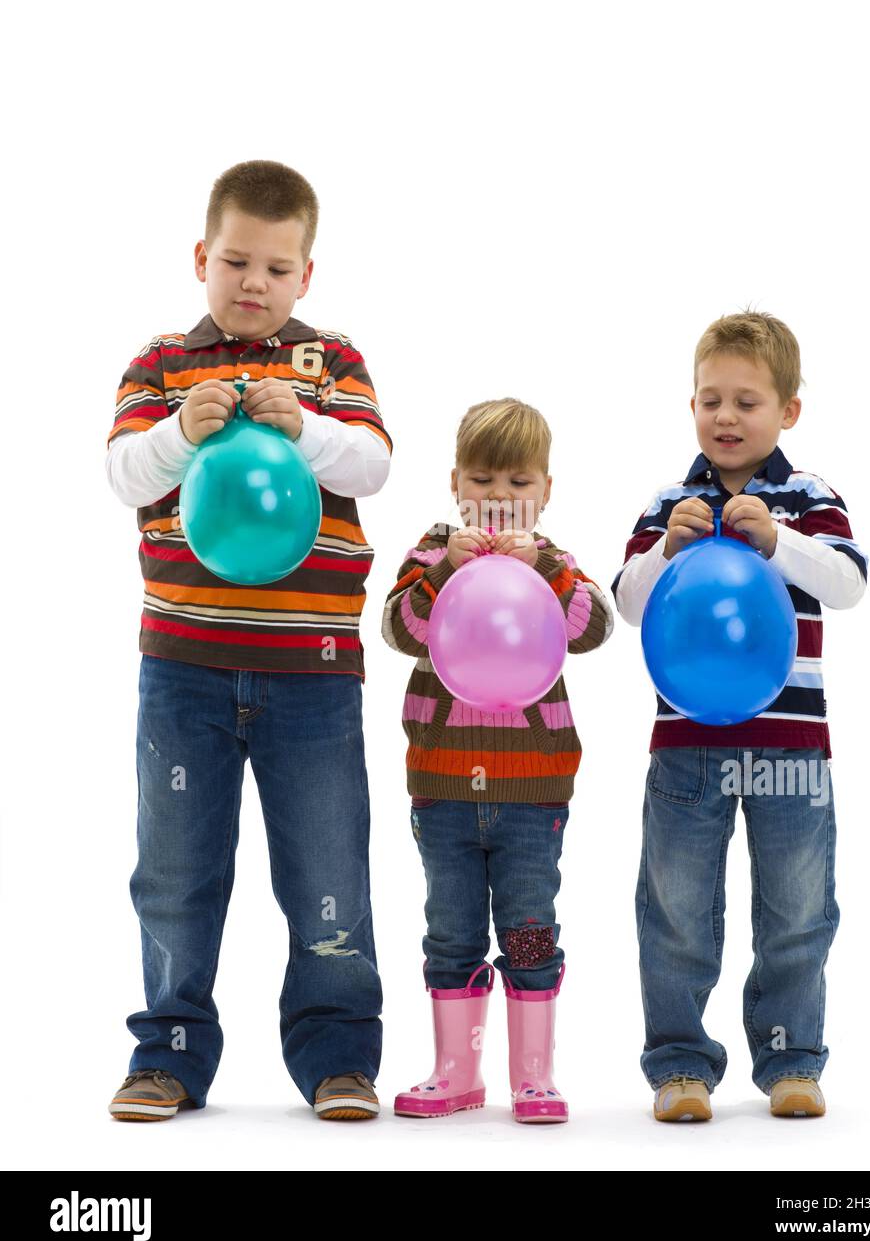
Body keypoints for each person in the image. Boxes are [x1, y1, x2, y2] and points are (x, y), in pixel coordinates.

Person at [104, 159, 392, 1122]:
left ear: (306, 275)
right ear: (201, 258)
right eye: (235, 261)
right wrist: (183, 432)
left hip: (312, 674)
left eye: (276, 267)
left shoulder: (333, 363)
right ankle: (169, 1050)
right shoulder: (158, 364)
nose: (253, 284)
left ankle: (339, 1053)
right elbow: (123, 472)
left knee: (327, 867)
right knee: (176, 870)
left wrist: (304, 427)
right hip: (181, 669)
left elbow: (374, 463)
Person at [612, 310, 867, 1122]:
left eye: (747, 402)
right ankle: (680, 1063)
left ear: (788, 410)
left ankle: (792, 1056)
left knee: (797, 907)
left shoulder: (809, 497)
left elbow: (850, 584)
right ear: (691, 406)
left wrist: (779, 541)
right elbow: (624, 604)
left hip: (793, 746)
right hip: (686, 744)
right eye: (710, 400)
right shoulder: (669, 502)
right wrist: (664, 553)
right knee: (677, 908)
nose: (726, 417)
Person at [382, 398, 614, 1122]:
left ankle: (534, 1076)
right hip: (444, 787)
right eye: (483, 482)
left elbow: (592, 630)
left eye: (517, 484)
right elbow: (398, 628)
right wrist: (441, 569)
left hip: (532, 790)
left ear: (544, 491)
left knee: (528, 925)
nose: (499, 500)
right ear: (456, 484)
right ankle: (455, 1070)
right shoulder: (432, 551)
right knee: (449, 928)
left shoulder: (554, 562)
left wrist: (546, 567)